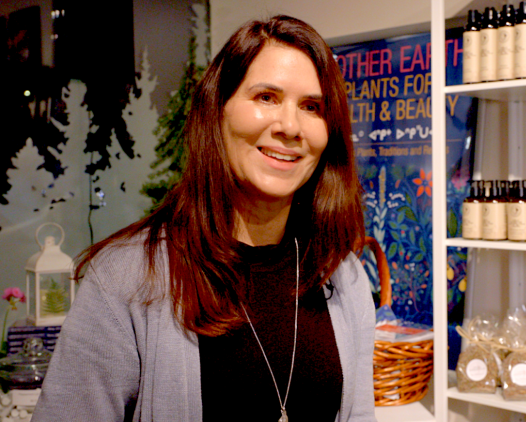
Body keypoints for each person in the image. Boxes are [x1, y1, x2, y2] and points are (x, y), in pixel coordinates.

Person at [33, 15, 376, 422]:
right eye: (266, 97)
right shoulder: (126, 281)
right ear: (218, 110)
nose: (290, 126)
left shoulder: (343, 277)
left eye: (312, 107)